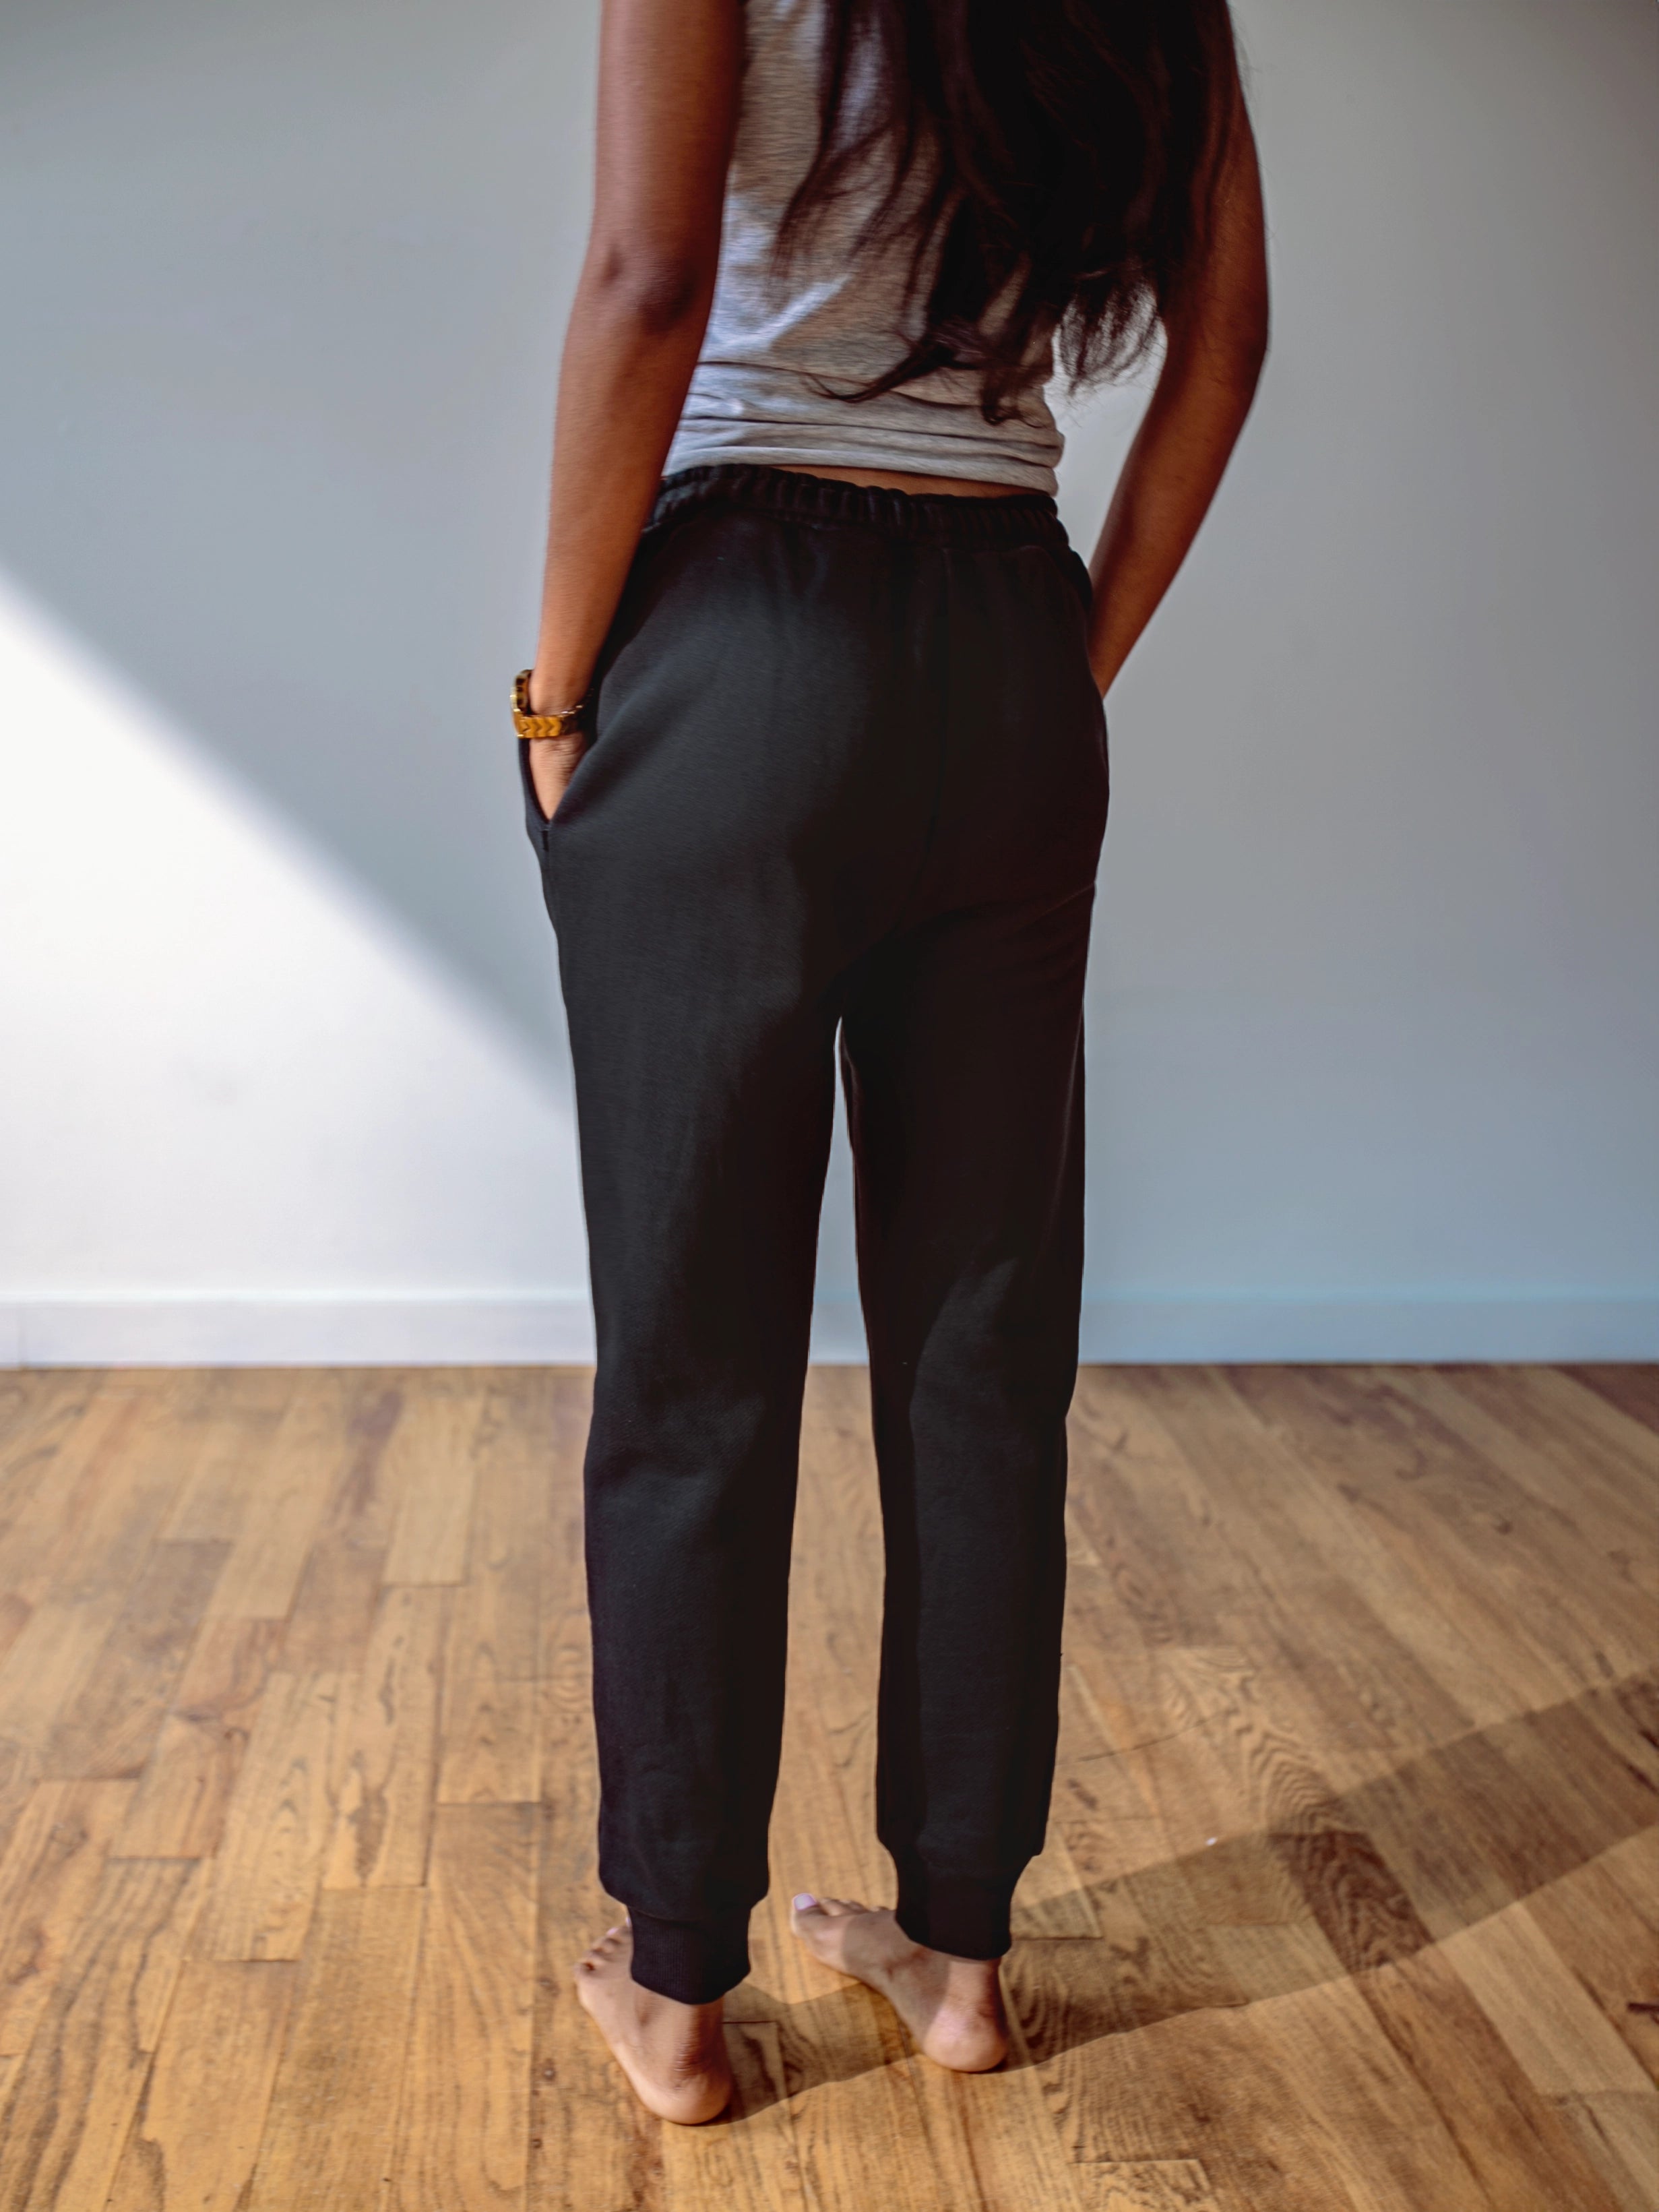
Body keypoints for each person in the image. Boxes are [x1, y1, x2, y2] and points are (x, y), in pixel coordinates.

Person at [516, 0, 1267, 2126]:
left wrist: (552, 692)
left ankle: (676, 1988)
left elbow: (652, 279)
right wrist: (1067, 655)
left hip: (741, 636)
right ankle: (959, 1954)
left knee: (696, 1355)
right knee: (979, 1346)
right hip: (1007, 645)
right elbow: (1228, 338)